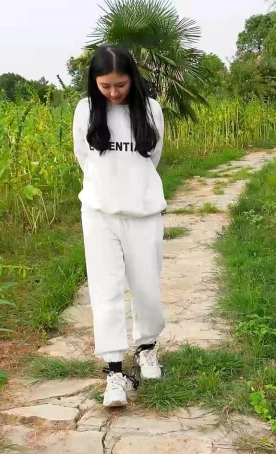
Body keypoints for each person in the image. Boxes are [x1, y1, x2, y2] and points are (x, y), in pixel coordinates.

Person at [72, 44, 166, 408]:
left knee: (146, 288)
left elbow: (152, 158)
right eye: (105, 85)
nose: (113, 92)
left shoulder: (151, 109)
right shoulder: (86, 110)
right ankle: (114, 370)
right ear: (94, 82)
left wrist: (132, 190)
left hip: (144, 214)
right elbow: (85, 158)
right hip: (100, 214)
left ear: (132, 79)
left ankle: (147, 348)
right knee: (105, 291)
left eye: (120, 85)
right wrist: (108, 190)